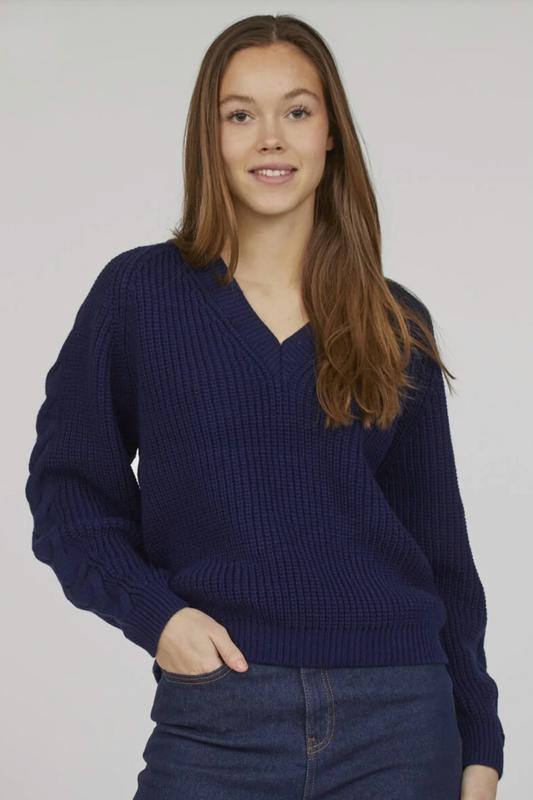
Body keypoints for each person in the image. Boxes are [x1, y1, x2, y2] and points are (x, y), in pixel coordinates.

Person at [25, 13, 505, 800]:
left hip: (399, 720)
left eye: (297, 111)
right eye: (240, 115)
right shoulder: (139, 296)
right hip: (218, 714)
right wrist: (157, 617)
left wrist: (479, 739)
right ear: (208, 138)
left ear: (330, 134)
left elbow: (442, 554)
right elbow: (69, 493)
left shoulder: (393, 321)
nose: (270, 138)